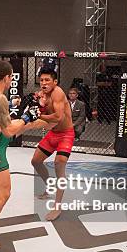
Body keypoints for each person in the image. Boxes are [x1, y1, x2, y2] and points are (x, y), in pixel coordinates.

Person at [0, 60, 42, 249]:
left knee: (36, 122)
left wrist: (25, 115)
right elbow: (10, 131)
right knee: (4, 193)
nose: (12, 80)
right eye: (11, 77)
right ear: (6, 77)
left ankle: (57, 125)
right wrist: (27, 116)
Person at [32, 69, 75, 221]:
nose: (43, 83)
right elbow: (43, 114)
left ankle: (57, 207)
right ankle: (49, 186)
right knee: (35, 161)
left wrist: (39, 115)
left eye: (47, 80)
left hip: (65, 135)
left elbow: (57, 116)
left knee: (59, 163)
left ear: (55, 82)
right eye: (41, 80)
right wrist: (40, 105)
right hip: (53, 135)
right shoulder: (42, 94)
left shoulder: (58, 93)